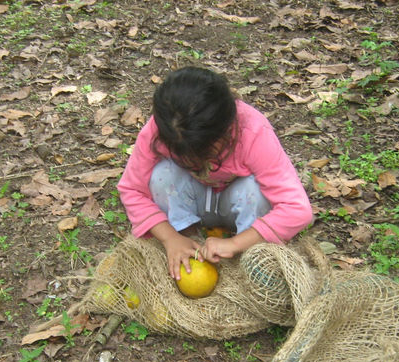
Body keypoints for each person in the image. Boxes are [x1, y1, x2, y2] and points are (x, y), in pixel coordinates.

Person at [117, 66, 313, 281]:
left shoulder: (252, 132)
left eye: (205, 152)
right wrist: (169, 238)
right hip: (195, 200)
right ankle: (187, 239)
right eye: (182, 153)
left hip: (236, 204)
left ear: (228, 128)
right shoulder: (161, 130)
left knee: (255, 190)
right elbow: (131, 189)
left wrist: (235, 244)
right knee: (163, 175)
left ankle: (248, 253)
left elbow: (297, 209)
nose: (195, 161)